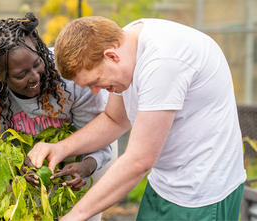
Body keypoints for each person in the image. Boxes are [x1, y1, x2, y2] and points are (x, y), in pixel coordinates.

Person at [27, 16, 245, 220]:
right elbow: (115, 120)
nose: (95, 91)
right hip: (164, 183)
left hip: (201, 196)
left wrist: (74, 216)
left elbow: (138, 161)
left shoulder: (163, 62)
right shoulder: (126, 43)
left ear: (111, 56)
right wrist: (61, 148)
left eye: (96, 81)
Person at [0, 13, 114, 191]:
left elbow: (98, 136)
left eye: (37, 64)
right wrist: (13, 167)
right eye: (21, 75)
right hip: (20, 172)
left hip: (80, 163)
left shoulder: (70, 74)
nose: (35, 77)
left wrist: (87, 166)